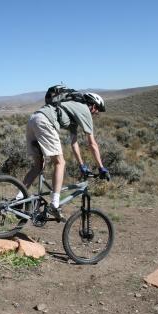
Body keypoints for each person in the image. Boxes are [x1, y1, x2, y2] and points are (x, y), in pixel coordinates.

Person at [20, 91, 110, 220]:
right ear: (93, 106)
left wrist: (81, 165)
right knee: (60, 162)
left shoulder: (72, 109)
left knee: (38, 166)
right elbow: (92, 144)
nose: (96, 114)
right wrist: (101, 168)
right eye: (97, 111)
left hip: (34, 119)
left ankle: (17, 200)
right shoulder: (84, 110)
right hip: (45, 122)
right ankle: (55, 204)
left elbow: (74, 144)